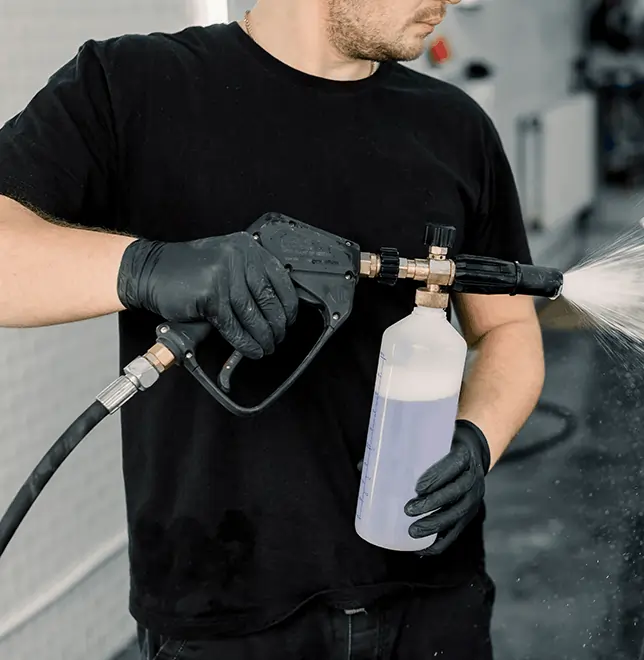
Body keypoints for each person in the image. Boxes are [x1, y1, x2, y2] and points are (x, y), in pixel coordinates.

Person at [0, 0, 546, 657]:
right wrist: (142, 268)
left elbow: (507, 326)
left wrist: (478, 438)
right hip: (223, 607)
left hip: (432, 597)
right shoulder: (131, 85)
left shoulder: (454, 126)